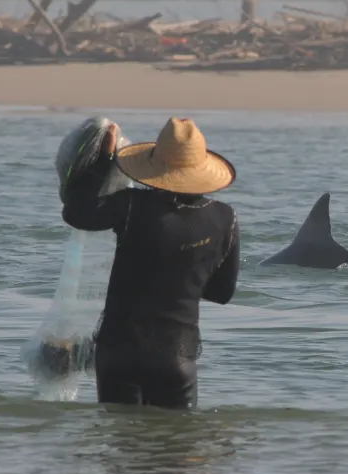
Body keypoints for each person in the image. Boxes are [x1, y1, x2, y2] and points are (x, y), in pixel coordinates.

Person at [62, 117, 240, 409]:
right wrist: (184, 276)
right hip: (176, 357)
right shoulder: (225, 218)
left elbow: (76, 212)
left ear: (155, 166)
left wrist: (103, 160)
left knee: (122, 444)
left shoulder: (132, 205)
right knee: (177, 447)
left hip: (119, 353)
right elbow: (223, 293)